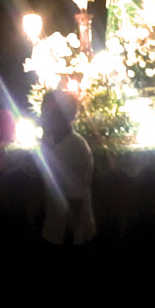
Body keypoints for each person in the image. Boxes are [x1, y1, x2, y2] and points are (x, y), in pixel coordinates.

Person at [39, 90, 96, 247]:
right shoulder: (48, 140)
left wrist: (70, 238)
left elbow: (76, 197)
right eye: (44, 111)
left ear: (67, 116)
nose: (45, 117)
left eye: (53, 113)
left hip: (71, 233)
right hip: (52, 226)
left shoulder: (75, 147)